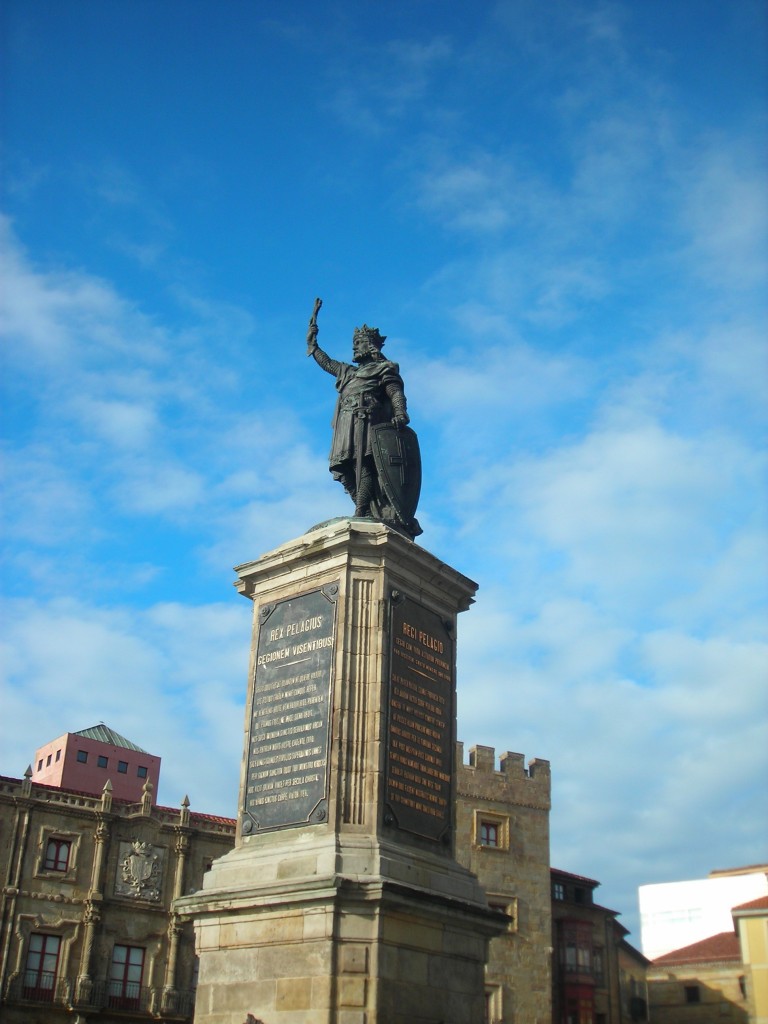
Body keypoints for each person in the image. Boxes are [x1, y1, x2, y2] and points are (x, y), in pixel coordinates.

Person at [306, 316, 421, 536]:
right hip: (346, 423)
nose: (354, 347)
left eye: (358, 343)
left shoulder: (384, 369)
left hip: (367, 421)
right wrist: (313, 344)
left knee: (365, 464)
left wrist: (400, 412)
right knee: (347, 469)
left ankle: (361, 509)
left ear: (369, 345)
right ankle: (364, 506)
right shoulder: (348, 372)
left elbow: (395, 392)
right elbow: (327, 363)